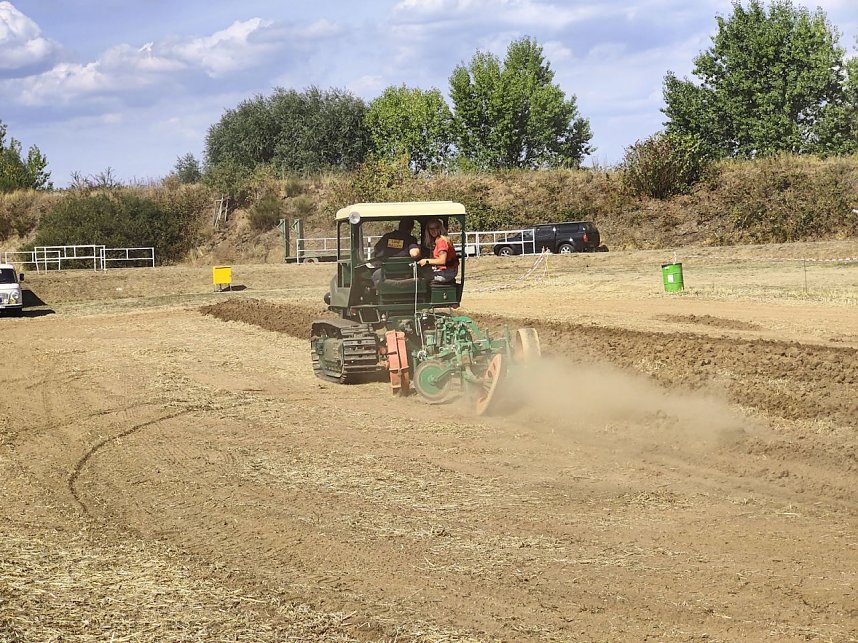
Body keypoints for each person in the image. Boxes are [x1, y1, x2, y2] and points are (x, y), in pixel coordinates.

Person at [369, 217, 420, 287]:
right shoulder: (411, 239)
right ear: (411, 228)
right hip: (407, 274)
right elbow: (414, 254)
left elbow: (376, 249)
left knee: (375, 276)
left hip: (386, 273)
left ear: (399, 226)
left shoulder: (387, 237)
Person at [417, 218, 458, 283]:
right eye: (431, 229)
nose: (434, 230)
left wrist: (426, 261)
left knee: (421, 277)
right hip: (446, 271)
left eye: (436, 228)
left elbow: (442, 261)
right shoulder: (437, 240)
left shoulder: (442, 241)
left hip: (447, 273)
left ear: (440, 228)